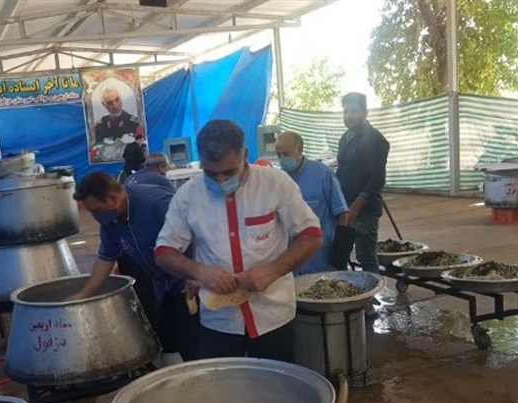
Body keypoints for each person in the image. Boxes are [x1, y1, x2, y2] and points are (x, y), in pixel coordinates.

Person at [154, 119, 323, 363]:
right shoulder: (188, 195)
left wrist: (272, 271)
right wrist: (200, 271)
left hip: (272, 315)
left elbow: (311, 236)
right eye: (211, 174)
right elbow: (163, 252)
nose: (221, 181)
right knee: (223, 385)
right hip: (218, 320)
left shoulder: (275, 183)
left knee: (276, 383)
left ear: (245, 155)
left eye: (229, 172)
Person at [70, 172, 200, 364]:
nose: (96, 218)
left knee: (192, 341)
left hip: (191, 284)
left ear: (113, 198)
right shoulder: (110, 223)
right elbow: (105, 260)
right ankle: (173, 374)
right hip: (162, 285)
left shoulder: (157, 204)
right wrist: (83, 295)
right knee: (167, 339)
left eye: (97, 211)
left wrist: (196, 274)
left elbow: (198, 234)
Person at [335, 92, 390, 315]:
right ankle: (349, 296)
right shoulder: (345, 138)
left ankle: (369, 303)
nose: (349, 115)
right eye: (346, 111)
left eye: (354, 111)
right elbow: (341, 170)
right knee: (340, 252)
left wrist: (356, 207)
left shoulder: (377, 140)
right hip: (344, 204)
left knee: (366, 255)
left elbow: (377, 179)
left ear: (365, 112)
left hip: (364, 208)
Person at [275, 131, 350, 274]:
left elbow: (342, 213)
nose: (282, 159)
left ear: (299, 149)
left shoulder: (323, 174)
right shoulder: (278, 179)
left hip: (322, 258)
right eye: (279, 155)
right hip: (292, 261)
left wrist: (340, 248)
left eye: (286, 154)